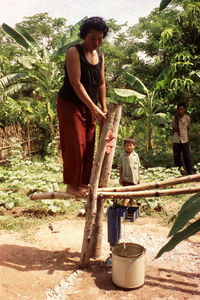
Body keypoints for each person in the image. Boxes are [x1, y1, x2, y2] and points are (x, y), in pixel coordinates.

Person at [57, 17, 109, 197]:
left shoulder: (100, 55)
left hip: (90, 104)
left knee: (89, 143)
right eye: (93, 38)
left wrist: (103, 107)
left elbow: (101, 83)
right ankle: (72, 184)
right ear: (84, 35)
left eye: (100, 38)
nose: (97, 42)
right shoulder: (74, 51)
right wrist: (94, 108)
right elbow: (76, 84)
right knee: (75, 143)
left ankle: (84, 182)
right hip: (70, 103)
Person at [118, 137, 141, 206]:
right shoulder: (122, 156)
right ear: (124, 146)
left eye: (130, 145)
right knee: (125, 195)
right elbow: (120, 167)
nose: (128, 147)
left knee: (132, 196)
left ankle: (131, 209)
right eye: (127, 145)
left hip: (134, 178)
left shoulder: (136, 156)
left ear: (134, 146)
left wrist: (138, 177)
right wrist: (120, 177)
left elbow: (138, 167)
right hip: (125, 178)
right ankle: (123, 210)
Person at [172, 102, 192, 175]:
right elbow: (172, 128)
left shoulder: (187, 118)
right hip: (176, 140)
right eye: (179, 109)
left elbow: (188, 128)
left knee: (187, 156)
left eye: (181, 109)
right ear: (177, 109)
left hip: (184, 140)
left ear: (184, 109)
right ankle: (178, 172)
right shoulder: (174, 118)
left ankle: (189, 171)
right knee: (177, 157)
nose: (180, 111)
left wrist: (185, 135)